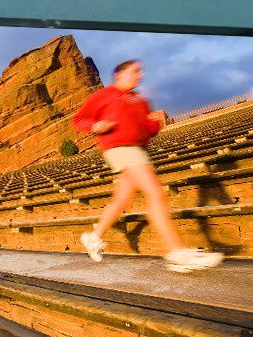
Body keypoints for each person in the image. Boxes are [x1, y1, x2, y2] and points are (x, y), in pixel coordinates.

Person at [68, 57, 224, 273]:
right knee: (155, 193)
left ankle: (93, 236)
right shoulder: (104, 95)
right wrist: (96, 125)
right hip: (119, 147)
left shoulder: (141, 100)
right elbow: (78, 120)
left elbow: (146, 132)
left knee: (122, 199)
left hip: (139, 150)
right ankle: (177, 253)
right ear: (120, 75)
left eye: (140, 71)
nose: (140, 75)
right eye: (135, 71)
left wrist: (155, 124)